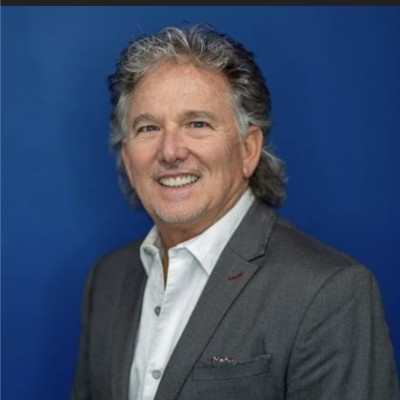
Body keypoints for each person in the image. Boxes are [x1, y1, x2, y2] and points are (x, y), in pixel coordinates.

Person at [70, 24, 399, 400]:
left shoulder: (328, 292)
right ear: (128, 159)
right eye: (148, 128)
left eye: (197, 124)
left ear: (248, 150)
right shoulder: (108, 280)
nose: (170, 151)